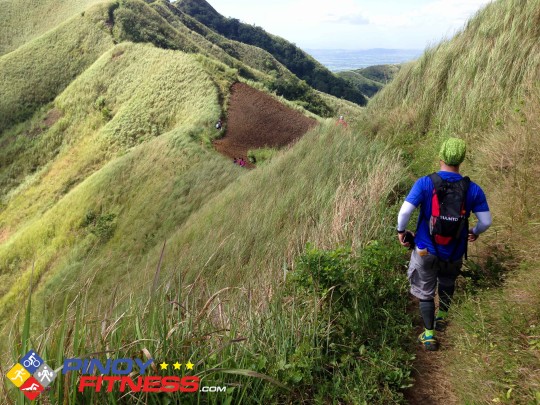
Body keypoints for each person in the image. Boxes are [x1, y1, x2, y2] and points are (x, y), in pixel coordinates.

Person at [397, 137, 492, 351]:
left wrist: (401, 232)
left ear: (440, 156)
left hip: (425, 249)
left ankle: (429, 335)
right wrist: (474, 232)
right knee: (448, 281)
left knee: (425, 289)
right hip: (455, 250)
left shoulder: (425, 183)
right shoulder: (472, 189)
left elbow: (404, 212)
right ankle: (442, 317)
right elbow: (486, 221)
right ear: (461, 160)